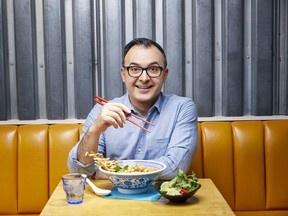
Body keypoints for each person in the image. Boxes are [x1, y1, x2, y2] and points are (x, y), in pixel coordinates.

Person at [67, 37, 198, 179]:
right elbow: (80, 171)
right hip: (111, 199)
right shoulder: (103, 110)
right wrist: (94, 131)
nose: (144, 78)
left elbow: (175, 168)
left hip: (162, 199)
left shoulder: (182, 108)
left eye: (153, 69)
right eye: (135, 69)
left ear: (164, 75)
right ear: (123, 74)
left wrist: (106, 172)